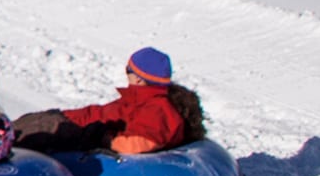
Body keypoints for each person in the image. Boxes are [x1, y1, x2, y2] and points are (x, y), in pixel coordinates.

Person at [12, 47, 203, 155]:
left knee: (40, 128)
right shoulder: (145, 99)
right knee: (38, 120)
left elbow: (141, 142)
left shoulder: (158, 108)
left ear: (138, 78)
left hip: (88, 131)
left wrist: (106, 140)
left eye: (128, 70)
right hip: (80, 121)